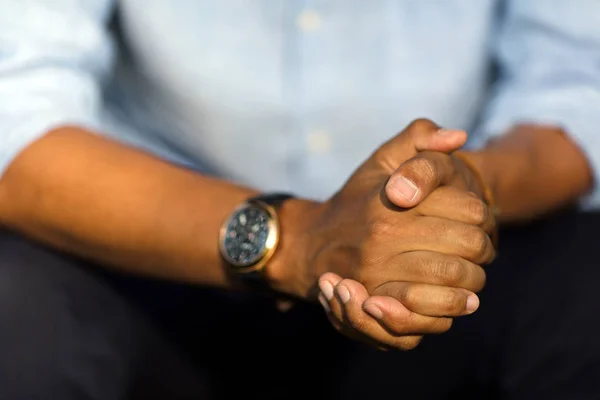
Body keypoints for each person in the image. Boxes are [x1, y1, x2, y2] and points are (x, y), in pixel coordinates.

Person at [0, 1, 599, 399]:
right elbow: (15, 113)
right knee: (17, 307)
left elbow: (576, 81)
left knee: (584, 287)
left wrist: (464, 190)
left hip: (445, 270)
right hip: (159, 256)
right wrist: (299, 240)